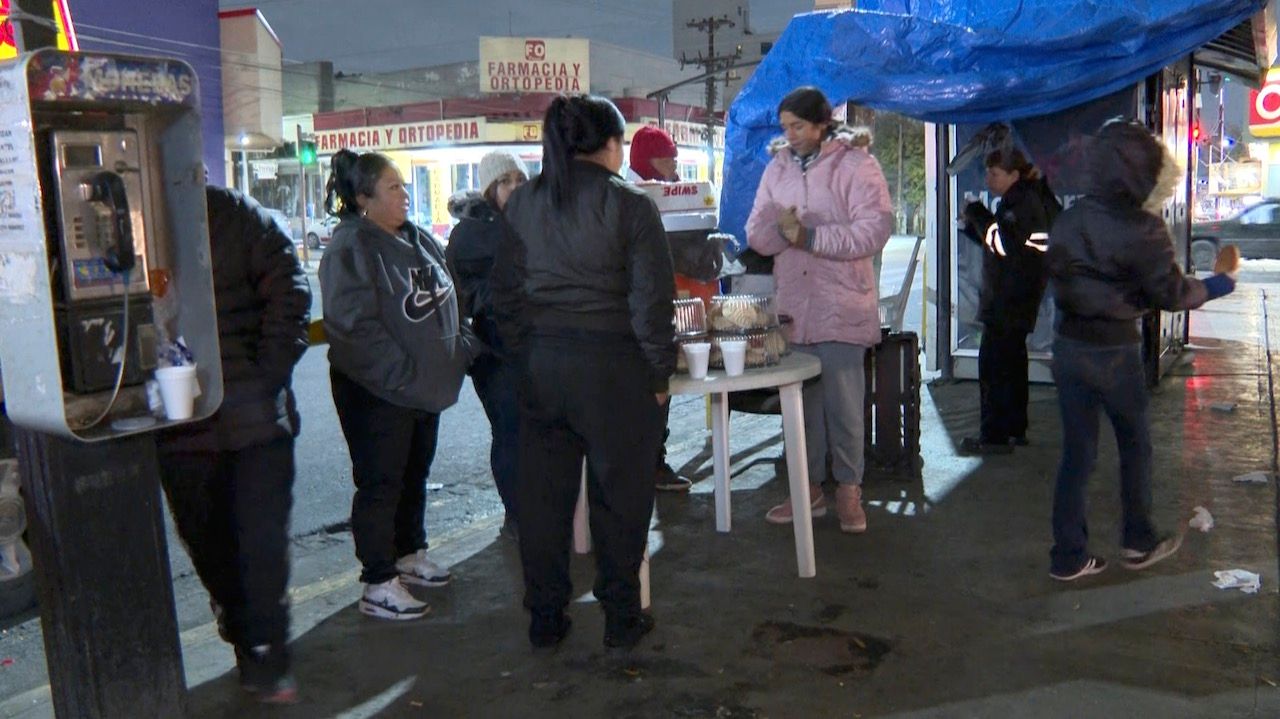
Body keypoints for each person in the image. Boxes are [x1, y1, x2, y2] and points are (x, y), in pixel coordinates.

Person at [492, 94, 676, 651]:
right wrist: (661, 373)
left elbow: (504, 294)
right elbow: (652, 303)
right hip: (613, 367)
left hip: (542, 366)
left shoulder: (523, 202)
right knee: (619, 499)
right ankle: (621, 617)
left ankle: (546, 617)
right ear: (610, 144)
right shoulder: (631, 205)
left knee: (544, 503)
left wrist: (526, 353)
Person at [1044, 119, 1238, 581]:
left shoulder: (1069, 218)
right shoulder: (1143, 228)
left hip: (1069, 347)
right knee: (1135, 446)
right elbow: (1173, 295)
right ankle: (1137, 540)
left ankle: (1068, 556)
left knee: (1077, 454)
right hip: (1115, 352)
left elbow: (1058, 276)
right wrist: (1221, 282)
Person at [158, 185, 311, 703]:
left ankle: (268, 653)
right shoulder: (137, 224)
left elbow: (290, 289)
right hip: (182, 428)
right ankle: (242, 624)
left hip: (254, 418)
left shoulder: (237, 216)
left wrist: (266, 374)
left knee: (263, 544)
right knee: (208, 542)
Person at [320, 149, 475, 620]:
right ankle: (378, 581)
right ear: (363, 198)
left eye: (404, 186)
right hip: (378, 391)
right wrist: (405, 375)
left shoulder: (418, 237)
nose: (405, 195)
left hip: (421, 391)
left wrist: (459, 349)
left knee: (414, 475)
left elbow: (452, 298)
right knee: (380, 482)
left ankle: (409, 554)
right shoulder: (352, 247)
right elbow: (353, 328)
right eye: (393, 188)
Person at [746, 86, 894, 533]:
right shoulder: (776, 168)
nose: (790, 135)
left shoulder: (857, 165)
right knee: (802, 406)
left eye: (798, 126)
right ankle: (805, 490)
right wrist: (780, 231)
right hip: (795, 306)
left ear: (821, 123)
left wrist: (811, 237)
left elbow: (874, 230)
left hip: (841, 303)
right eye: (785, 127)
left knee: (845, 405)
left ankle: (849, 491)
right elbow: (756, 232)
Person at [445, 151, 529, 539]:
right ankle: (516, 516)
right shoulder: (470, 234)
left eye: (519, 179)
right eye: (505, 181)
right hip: (493, 351)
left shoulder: (529, 223)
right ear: (489, 188)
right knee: (509, 431)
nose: (514, 187)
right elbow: (466, 294)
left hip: (530, 346)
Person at [958, 148, 1062, 455]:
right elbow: (1009, 244)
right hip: (1021, 298)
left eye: (995, 174)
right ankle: (1015, 428)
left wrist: (977, 214)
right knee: (1013, 366)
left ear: (1014, 175)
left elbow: (1002, 246)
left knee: (994, 368)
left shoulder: (1018, 203)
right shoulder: (1030, 198)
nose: (988, 179)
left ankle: (994, 436)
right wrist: (975, 227)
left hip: (1008, 300)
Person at [627, 125, 694, 493]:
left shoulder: (665, 190)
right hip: (642, 310)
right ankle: (647, 465)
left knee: (658, 388)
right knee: (652, 387)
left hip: (657, 303)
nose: (674, 163)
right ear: (649, 159)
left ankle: (651, 461)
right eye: (668, 156)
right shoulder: (637, 196)